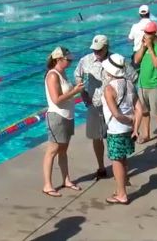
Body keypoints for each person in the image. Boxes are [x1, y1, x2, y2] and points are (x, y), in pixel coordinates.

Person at [43, 47, 84, 197]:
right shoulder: (53, 76)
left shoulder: (63, 73)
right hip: (57, 117)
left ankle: (66, 180)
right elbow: (56, 100)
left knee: (63, 151)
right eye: (68, 60)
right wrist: (75, 91)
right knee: (52, 151)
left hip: (67, 116)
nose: (70, 61)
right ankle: (47, 185)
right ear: (58, 59)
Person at [101, 54, 137, 205]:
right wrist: (134, 124)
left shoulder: (109, 89)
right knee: (123, 159)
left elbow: (116, 114)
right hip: (127, 129)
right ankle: (120, 188)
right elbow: (139, 108)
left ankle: (122, 194)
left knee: (116, 161)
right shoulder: (129, 83)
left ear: (109, 72)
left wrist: (128, 119)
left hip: (116, 129)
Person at [74, 35, 111, 180]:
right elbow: (78, 76)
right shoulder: (86, 60)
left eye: (99, 50)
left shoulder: (116, 60)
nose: (96, 52)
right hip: (95, 104)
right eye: (94, 50)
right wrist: (84, 95)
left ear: (106, 47)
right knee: (97, 137)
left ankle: (119, 165)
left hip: (113, 105)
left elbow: (129, 78)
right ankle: (101, 167)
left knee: (114, 137)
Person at [133, 21, 157, 147]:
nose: (146, 35)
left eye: (149, 33)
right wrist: (143, 47)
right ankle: (146, 134)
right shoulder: (144, 44)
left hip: (155, 84)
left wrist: (150, 48)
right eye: (145, 32)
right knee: (144, 111)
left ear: (155, 33)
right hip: (142, 84)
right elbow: (136, 60)